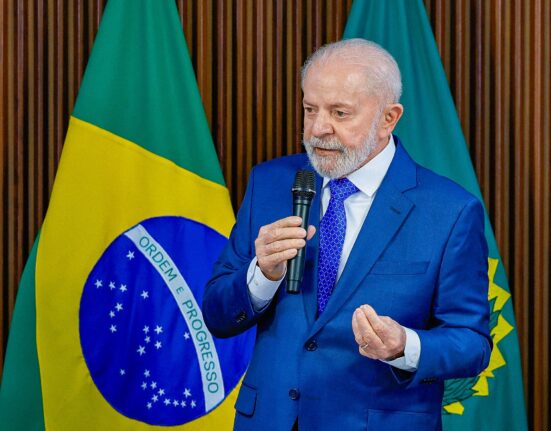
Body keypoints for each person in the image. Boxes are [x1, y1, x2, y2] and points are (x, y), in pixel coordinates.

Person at [202, 39, 491, 431]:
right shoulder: (269, 183)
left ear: (388, 118)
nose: (318, 129)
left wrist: (405, 345)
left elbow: (472, 343)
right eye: (310, 109)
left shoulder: (450, 211)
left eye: (340, 113)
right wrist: (261, 277)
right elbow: (217, 314)